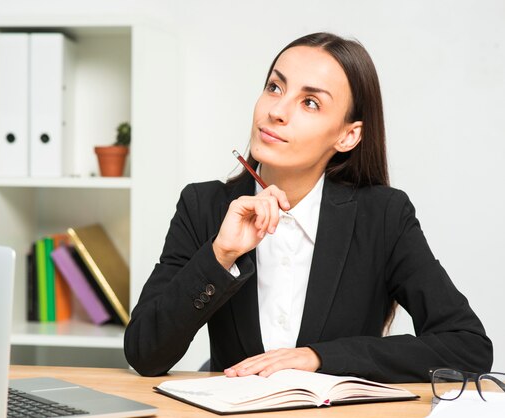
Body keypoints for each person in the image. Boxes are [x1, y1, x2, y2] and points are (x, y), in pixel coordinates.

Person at [123, 32, 492, 383]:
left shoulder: (383, 216)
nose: (277, 111)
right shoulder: (203, 205)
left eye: (310, 102)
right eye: (274, 87)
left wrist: (318, 357)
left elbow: (467, 345)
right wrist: (220, 255)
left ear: (348, 135)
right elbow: (144, 352)